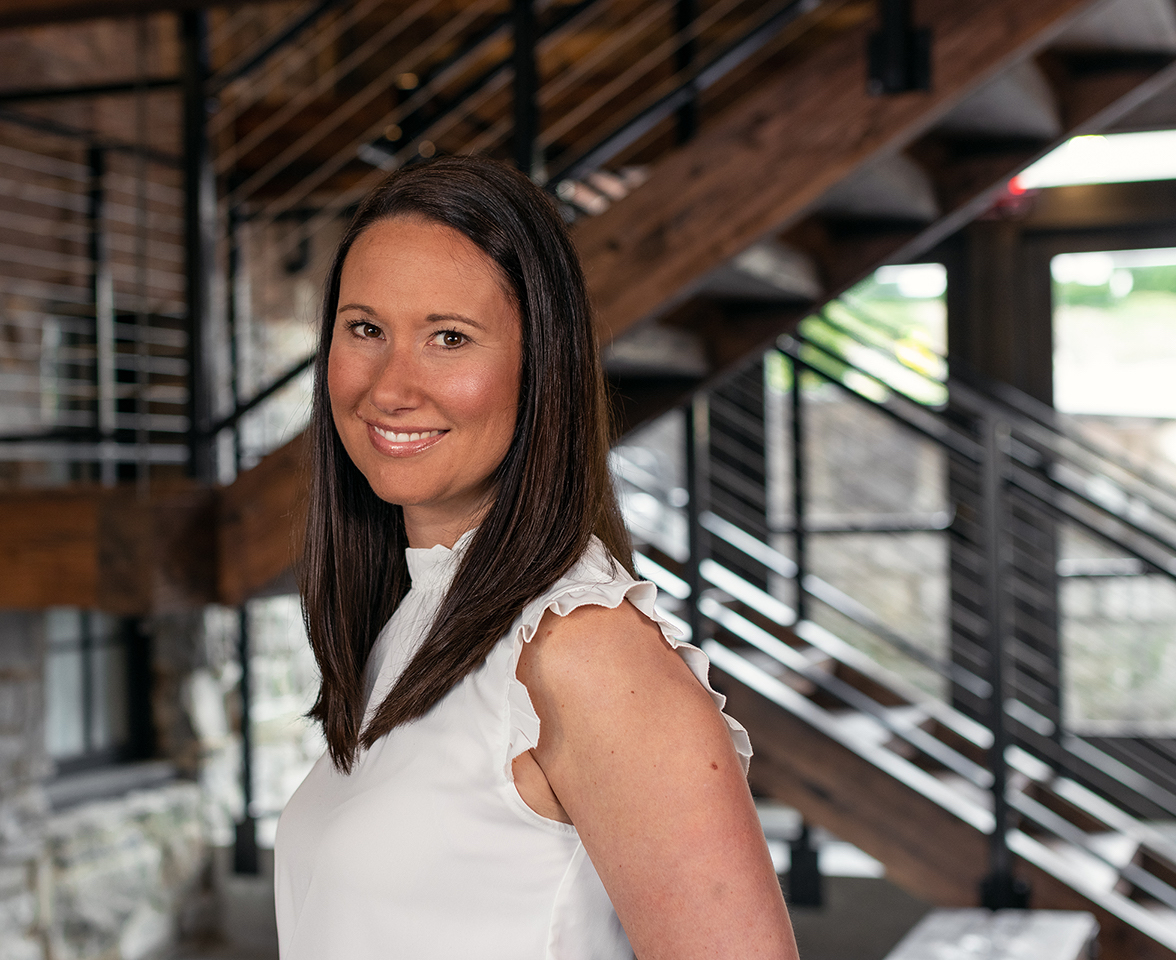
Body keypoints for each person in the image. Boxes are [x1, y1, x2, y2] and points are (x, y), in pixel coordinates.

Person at [275, 154, 798, 960]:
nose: (390, 386)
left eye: (449, 337)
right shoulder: (414, 616)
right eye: (365, 329)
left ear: (540, 366)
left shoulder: (584, 650)